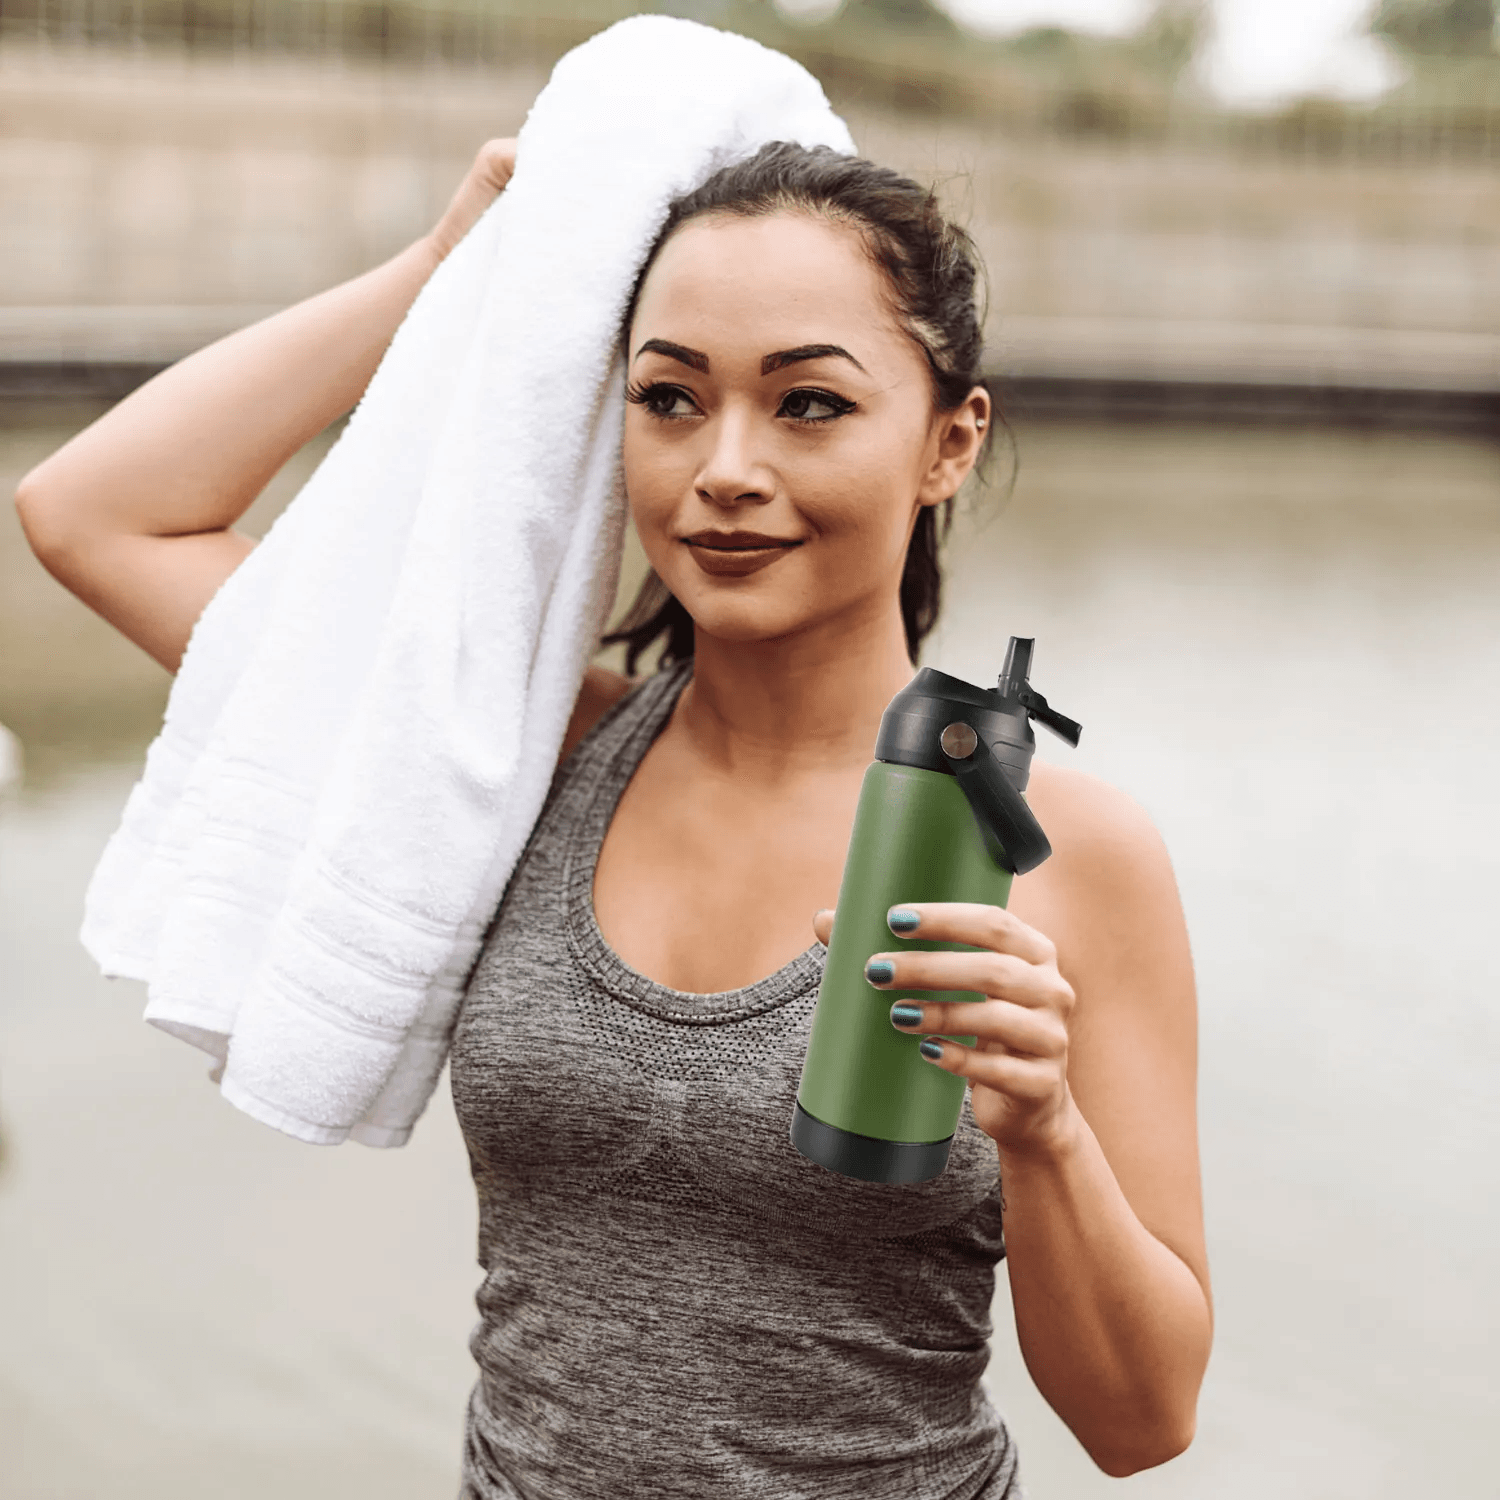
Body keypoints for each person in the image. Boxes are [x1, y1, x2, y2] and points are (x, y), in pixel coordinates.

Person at [16, 131, 1211, 1496]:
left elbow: (1142, 1423)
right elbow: (93, 516)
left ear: (950, 440)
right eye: (670, 397)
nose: (726, 467)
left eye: (810, 404)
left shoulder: (1061, 851)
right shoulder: (519, 755)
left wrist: (1045, 1131)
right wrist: (447, 273)